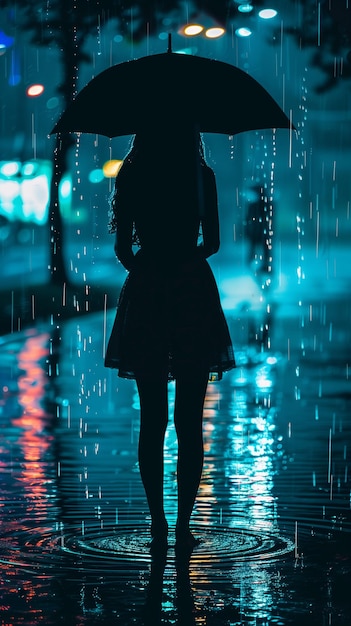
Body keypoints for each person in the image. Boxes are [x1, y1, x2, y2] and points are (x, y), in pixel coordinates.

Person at [104, 126, 235, 551]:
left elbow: (123, 248)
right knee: (189, 420)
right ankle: (183, 526)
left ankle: (157, 523)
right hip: (191, 292)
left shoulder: (132, 174)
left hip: (147, 292)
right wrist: (184, 262)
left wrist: (150, 268)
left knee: (152, 419)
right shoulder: (203, 176)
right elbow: (212, 243)